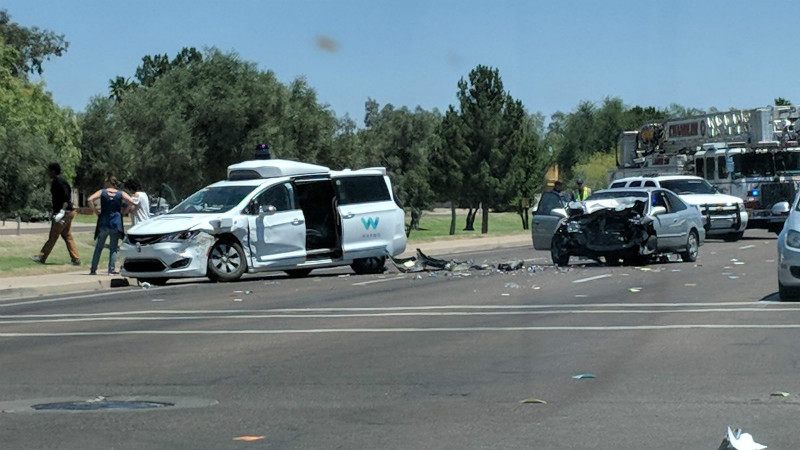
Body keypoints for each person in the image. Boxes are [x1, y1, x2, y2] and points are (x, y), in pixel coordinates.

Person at [31, 163, 81, 265]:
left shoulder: (59, 182)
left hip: (64, 212)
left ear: (53, 171)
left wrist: (61, 211)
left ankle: (42, 257)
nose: (48, 173)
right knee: (67, 235)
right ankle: (76, 259)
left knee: (53, 235)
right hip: (67, 212)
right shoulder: (59, 182)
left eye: (49, 171)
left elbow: (66, 197)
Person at [87, 175, 135, 275]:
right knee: (113, 248)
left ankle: (93, 269)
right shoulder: (120, 193)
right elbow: (131, 202)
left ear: (108, 182)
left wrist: (95, 211)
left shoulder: (102, 192)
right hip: (116, 222)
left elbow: (90, 199)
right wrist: (124, 212)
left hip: (104, 221)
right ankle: (111, 269)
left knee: (99, 247)